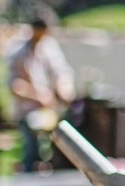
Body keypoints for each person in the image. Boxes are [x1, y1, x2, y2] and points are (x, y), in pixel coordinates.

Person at [7, 9, 75, 172]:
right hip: (27, 109)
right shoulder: (18, 51)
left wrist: (63, 88)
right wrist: (37, 96)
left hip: (51, 109)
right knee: (32, 148)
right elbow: (14, 85)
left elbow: (62, 73)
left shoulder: (49, 47)